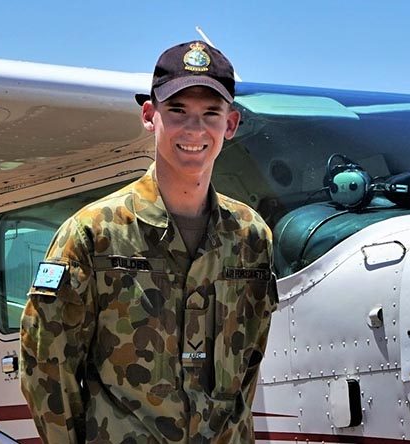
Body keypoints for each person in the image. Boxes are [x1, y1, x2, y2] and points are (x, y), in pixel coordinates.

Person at [19, 41, 277, 443]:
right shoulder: (93, 234)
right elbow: (46, 368)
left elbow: (248, 367)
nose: (195, 129)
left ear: (231, 125)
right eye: (177, 111)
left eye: (211, 114)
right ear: (149, 115)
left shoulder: (251, 237)